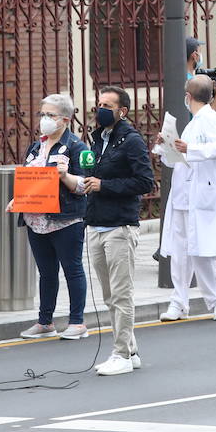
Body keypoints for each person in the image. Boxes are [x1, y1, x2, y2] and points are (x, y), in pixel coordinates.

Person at [83, 85, 154, 376]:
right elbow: (94, 175)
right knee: (110, 295)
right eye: (98, 103)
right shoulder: (98, 138)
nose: (100, 109)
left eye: (106, 105)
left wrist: (104, 186)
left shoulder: (131, 141)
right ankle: (131, 348)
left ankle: (121, 354)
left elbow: (145, 182)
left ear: (121, 111)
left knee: (122, 294)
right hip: (97, 224)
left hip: (120, 227)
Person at [12, 94, 90, 338]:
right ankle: (45, 322)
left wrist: (65, 176)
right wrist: (17, 199)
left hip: (65, 219)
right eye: (42, 114)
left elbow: (84, 185)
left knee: (72, 269)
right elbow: (31, 179)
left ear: (65, 120)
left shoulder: (77, 147)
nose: (44, 119)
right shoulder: (36, 147)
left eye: (50, 115)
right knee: (46, 272)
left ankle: (77, 322)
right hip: (37, 220)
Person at [159, 75, 216, 321]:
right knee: (180, 253)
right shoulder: (193, 123)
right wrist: (166, 146)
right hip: (182, 195)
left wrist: (190, 149)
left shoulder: (210, 118)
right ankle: (179, 302)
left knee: (203, 252)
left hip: (201, 196)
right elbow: (176, 159)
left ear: (188, 97)